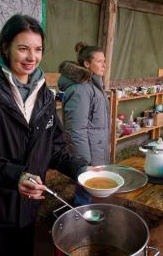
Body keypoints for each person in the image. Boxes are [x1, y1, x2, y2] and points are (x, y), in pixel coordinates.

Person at [0, 14, 88, 256]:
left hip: (28, 207)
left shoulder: (45, 95)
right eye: (23, 48)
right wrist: (15, 176)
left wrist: (82, 170)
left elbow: (54, 146)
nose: (31, 57)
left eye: (38, 49)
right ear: (6, 47)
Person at [58, 42, 111, 205]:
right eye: (100, 61)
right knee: (85, 189)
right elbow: (75, 130)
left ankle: (92, 214)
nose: (105, 65)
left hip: (97, 149)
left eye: (104, 60)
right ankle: (80, 219)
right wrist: (84, 163)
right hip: (88, 154)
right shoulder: (80, 89)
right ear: (87, 64)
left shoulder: (95, 86)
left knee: (94, 188)